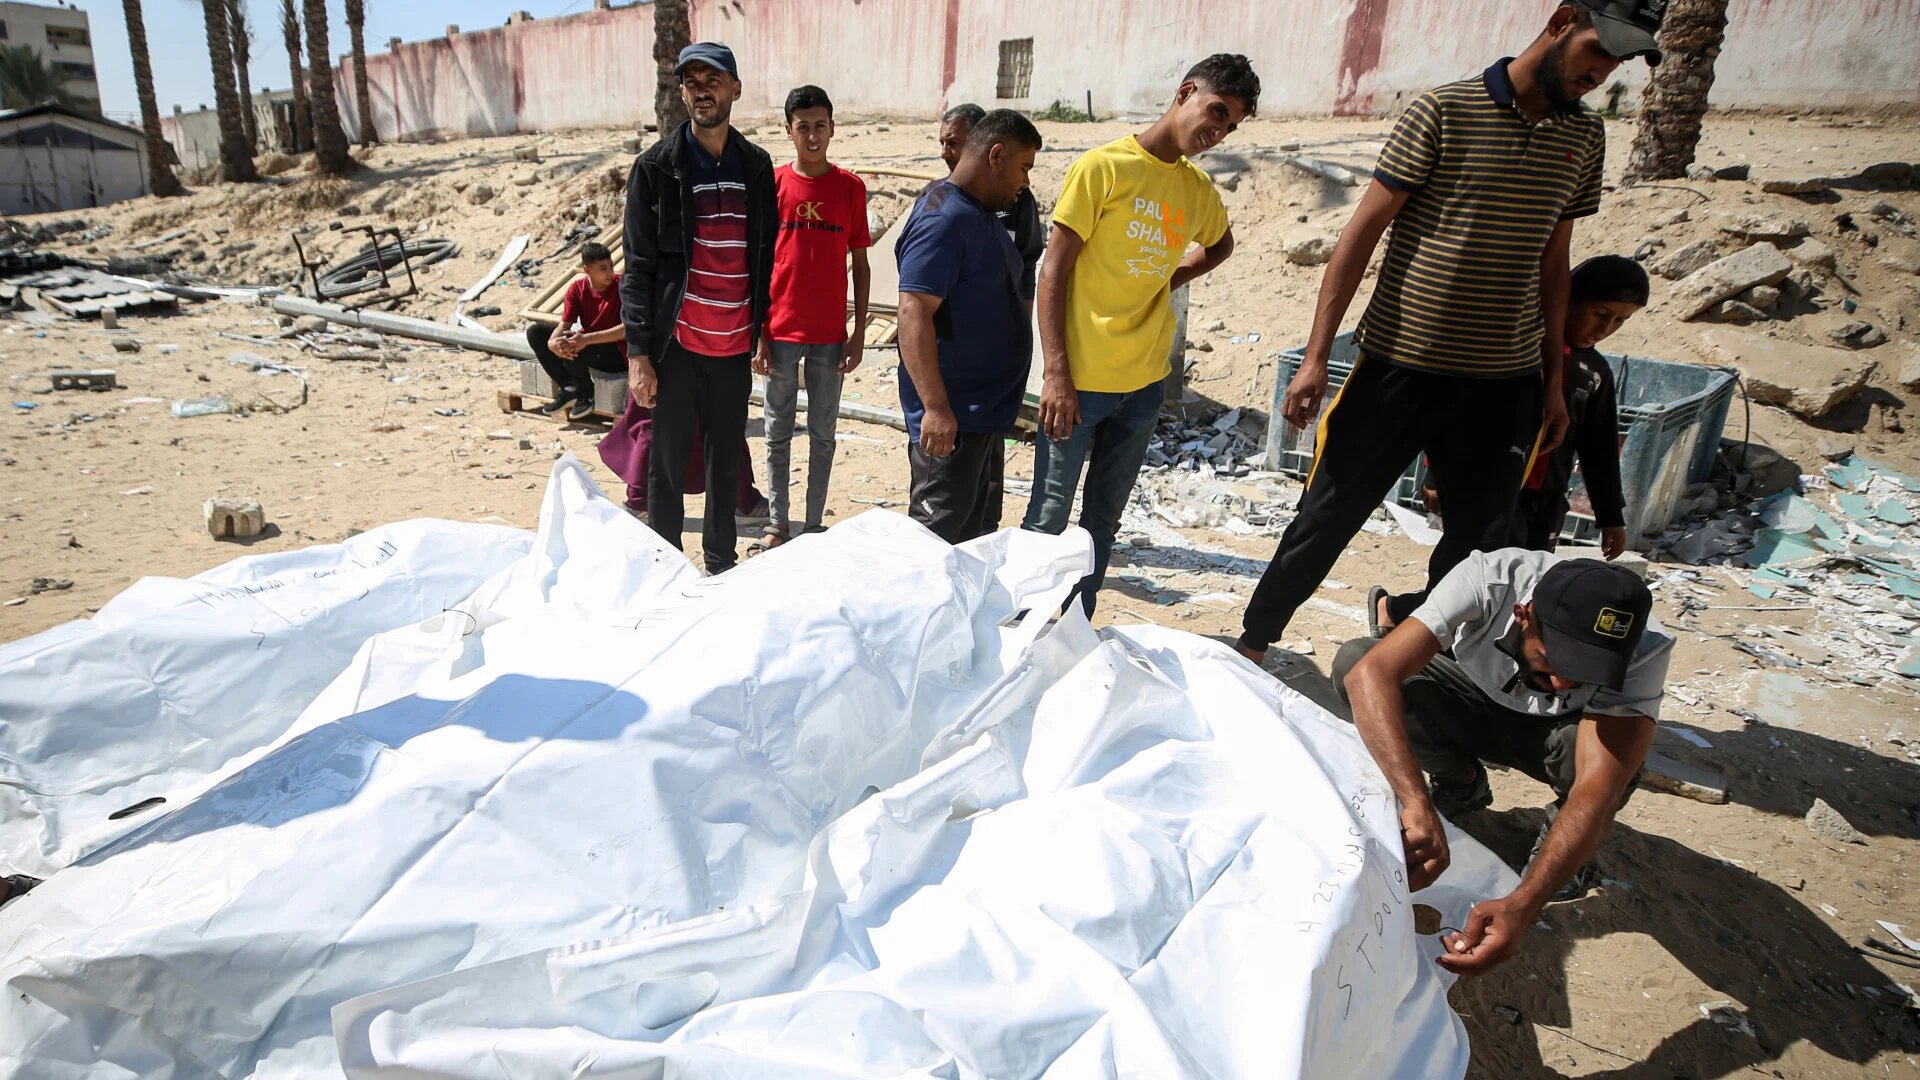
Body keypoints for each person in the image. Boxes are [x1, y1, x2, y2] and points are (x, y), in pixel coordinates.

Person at [1236, 0, 1667, 666]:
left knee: (1478, 548)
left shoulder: (1583, 138)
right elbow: (1360, 235)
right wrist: (1316, 356)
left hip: (1504, 384)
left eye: (1619, 61)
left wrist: (1553, 384)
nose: (1603, 72)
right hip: (1399, 369)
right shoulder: (1443, 110)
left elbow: (1556, 262)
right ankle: (1254, 644)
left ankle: (1421, 671)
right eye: (1598, 50)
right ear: (1560, 22)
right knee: (1327, 517)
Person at [1332, 551, 1673, 974]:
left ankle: (1549, 865)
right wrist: (1415, 800)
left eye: (1588, 671)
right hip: (1471, 701)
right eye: (1554, 660)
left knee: (1613, 765)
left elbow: (1596, 790)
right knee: (1357, 659)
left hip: (1551, 737)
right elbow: (1370, 674)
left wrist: (1524, 903)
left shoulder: (1645, 649)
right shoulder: (1489, 577)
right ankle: (1462, 782)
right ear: (1523, 615)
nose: (1564, 682)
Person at [1024, 54, 1256, 615]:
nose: (1217, 132)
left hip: (1145, 384)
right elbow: (1053, 271)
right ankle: (1021, 623)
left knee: (1103, 517)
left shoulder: (1197, 190)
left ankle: (1075, 624)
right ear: (1185, 92)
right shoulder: (1103, 168)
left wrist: (1175, 274)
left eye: (1230, 126)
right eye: (1216, 112)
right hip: (1079, 381)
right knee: (1049, 515)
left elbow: (1221, 245)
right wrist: (1056, 373)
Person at [1371, 255, 1647, 633]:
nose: (1607, 327)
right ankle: (1397, 614)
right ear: (1565, 298)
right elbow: (1457, 417)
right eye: (1600, 314)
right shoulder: (1516, 351)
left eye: (1620, 320)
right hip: (1487, 489)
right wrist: (1435, 474)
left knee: (1526, 582)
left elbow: (1599, 449)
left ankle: (1459, 646)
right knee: (1462, 574)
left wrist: (1611, 516)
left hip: (1545, 501)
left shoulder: (1594, 373)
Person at [621, 42, 778, 574]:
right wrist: (639, 353)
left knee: (724, 462)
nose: (702, 90)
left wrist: (764, 330)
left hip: (733, 345)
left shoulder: (756, 168)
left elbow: (766, 258)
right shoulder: (656, 169)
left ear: (735, 88)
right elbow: (638, 267)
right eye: (692, 81)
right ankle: (666, 567)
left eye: (713, 79)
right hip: (677, 345)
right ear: (682, 92)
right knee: (665, 466)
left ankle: (719, 563)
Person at [894, 109, 1042, 543]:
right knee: (936, 542)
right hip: (952, 418)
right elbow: (913, 312)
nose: (1026, 181)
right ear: (996, 155)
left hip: (983, 413)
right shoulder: (946, 218)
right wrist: (937, 409)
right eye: (1023, 167)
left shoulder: (980, 212)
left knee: (976, 536)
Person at [753, 84, 872, 544]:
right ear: (789, 130)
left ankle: (814, 524)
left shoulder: (850, 188)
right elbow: (758, 261)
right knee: (776, 432)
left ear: (832, 128)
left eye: (820, 126)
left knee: (823, 433)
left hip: (829, 336)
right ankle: (777, 524)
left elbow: (860, 264)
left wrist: (858, 333)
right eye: (803, 127)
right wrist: (757, 336)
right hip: (779, 332)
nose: (812, 135)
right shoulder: (773, 185)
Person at [933, 103, 1045, 308]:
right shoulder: (933, 202)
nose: (944, 153)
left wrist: (1024, 325)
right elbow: (917, 297)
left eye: (952, 143)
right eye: (942, 143)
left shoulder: (1017, 198)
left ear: (979, 142)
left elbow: (1027, 265)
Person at [528, 242, 626, 422]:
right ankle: (570, 388)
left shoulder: (623, 286)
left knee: (574, 342)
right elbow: (565, 324)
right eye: (603, 268)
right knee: (536, 332)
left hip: (617, 351)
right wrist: (552, 342)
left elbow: (629, 329)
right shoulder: (577, 288)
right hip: (588, 345)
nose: (610, 272)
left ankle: (586, 394)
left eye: (610, 266)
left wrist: (585, 339)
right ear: (587, 270)